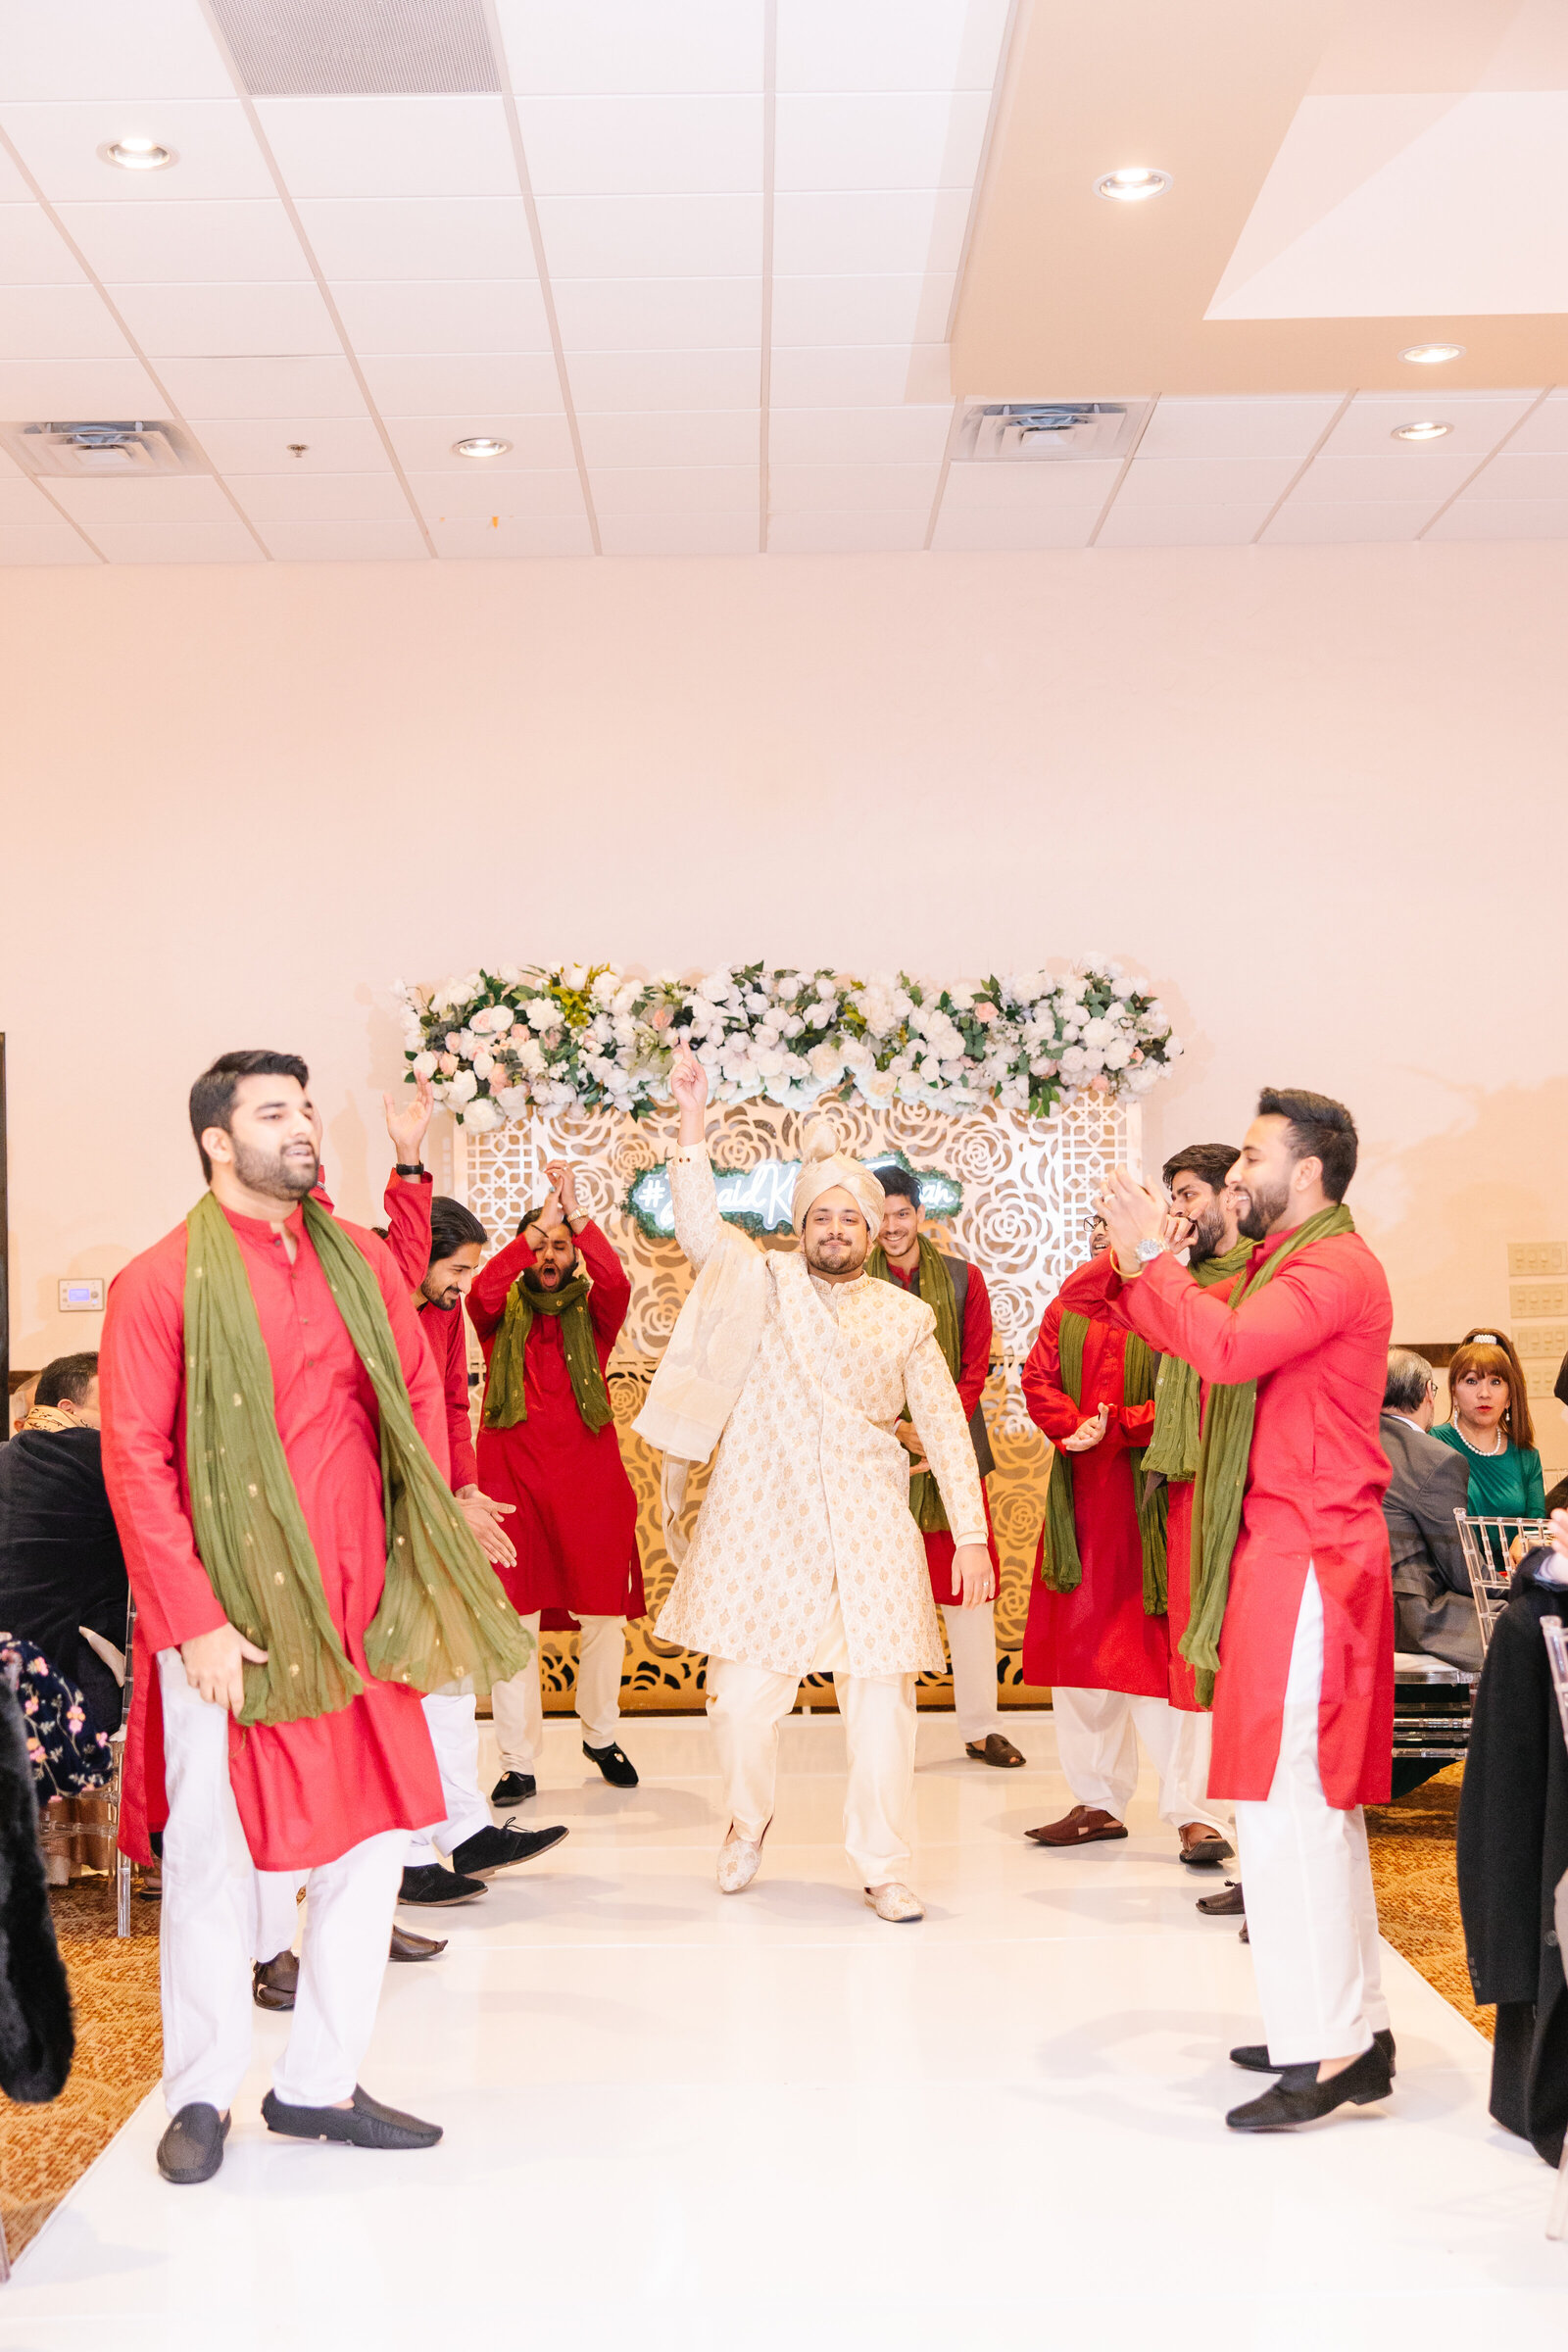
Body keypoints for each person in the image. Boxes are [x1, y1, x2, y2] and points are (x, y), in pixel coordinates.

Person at [101, 1050, 530, 2186]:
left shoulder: (358, 1266)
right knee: (213, 1858)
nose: (301, 1128)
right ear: (214, 1140)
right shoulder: (160, 1282)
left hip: (363, 1609)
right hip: (231, 1626)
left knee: (376, 1847)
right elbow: (135, 1460)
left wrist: (435, 1516)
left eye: (304, 1109)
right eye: (274, 1113)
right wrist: (190, 1617)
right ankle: (200, 2094)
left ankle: (318, 2083)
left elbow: (414, 1392)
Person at [1097, 1087, 1396, 2132]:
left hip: (1309, 1552)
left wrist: (1151, 1258)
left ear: (1304, 1170)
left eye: (1252, 1159)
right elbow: (1191, 1315)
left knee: (1287, 1800)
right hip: (1291, 1549)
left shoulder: (1329, 1267)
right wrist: (1149, 1249)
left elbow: (1221, 1349)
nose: (1236, 1178)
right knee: (1304, 1800)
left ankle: (1329, 2047)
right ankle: (1346, 2023)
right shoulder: (1292, 1256)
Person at [641, 1043, 992, 1922]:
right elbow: (694, 1230)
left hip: (870, 1532)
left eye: (850, 1219)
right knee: (738, 1704)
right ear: (799, 1226)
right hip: (766, 1525)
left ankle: (882, 1863)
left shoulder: (907, 1315)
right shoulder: (760, 1279)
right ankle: (745, 1823)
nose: (833, 1230)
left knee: (882, 1714)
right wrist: (692, 1121)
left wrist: (975, 1535)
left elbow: (946, 1425)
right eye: (819, 1217)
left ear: (875, 1234)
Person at [375, 1080, 569, 1905]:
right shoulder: (381, 1296)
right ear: (417, 1257)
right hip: (380, 1514)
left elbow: (455, 1405)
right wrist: (410, 1158)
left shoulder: (447, 1318)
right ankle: (408, 1853)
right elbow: (399, 1242)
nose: (464, 1285)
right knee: (406, 1682)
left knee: (450, 1670)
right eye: (454, 1269)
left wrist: (464, 1487)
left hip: (436, 1512)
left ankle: (461, 1831)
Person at [1018, 1153, 1236, 1869]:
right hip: (1083, 1503)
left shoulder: (1177, 1296)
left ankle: (1193, 1813)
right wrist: (1066, 1424)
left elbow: (1187, 1394)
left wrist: (1112, 1425)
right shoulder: (1078, 1299)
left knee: (1165, 1666)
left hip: (1155, 1502)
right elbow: (1037, 1375)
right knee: (1084, 1666)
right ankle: (1098, 1801)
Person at [467, 1159, 644, 1804]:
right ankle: (518, 1760)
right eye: (539, 1245)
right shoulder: (497, 1316)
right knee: (517, 1623)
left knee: (604, 1619)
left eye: (560, 1247)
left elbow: (618, 1280)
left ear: (575, 1256)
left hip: (589, 1486)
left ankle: (601, 1735)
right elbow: (479, 1292)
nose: (549, 1255)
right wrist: (536, 1226)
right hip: (511, 1487)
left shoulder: (596, 1315)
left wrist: (576, 1216)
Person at [864, 1164, 1022, 1768]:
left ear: (921, 1215)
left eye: (903, 1213)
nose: (894, 1227)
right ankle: (887, 1732)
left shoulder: (962, 1279)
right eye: (883, 1216)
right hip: (883, 1464)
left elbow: (975, 1368)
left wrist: (933, 1433)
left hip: (954, 1457)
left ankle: (982, 1727)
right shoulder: (852, 1282)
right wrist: (899, 1431)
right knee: (889, 1599)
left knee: (970, 1593)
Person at [1455, 1511, 1568, 2167]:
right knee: (1529, 1851)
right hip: (1540, 1643)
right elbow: (1505, 1813)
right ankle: (1534, 2079)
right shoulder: (1535, 1627)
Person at [0, 1352, 128, 1740]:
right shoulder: (105, 1457)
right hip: (72, 1686)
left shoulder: (6, 1456)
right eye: (114, 1405)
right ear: (68, 1408)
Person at [1379, 1348, 1480, 1673]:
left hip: (1346, 1604)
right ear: (1427, 1392)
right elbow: (1463, 1574)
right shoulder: (1435, 1458)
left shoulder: (1348, 1441)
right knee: (1528, 1620)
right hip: (1408, 1616)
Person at [1429, 1330, 1546, 1525]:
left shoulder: (1526, 1455)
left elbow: (1537, 1529)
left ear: (1509, 1397)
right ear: (1454, 1393)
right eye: (1472, 1381)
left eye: (1496, 1382)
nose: (1484, 1393)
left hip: (1517, 1556)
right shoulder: (1433, 1444)